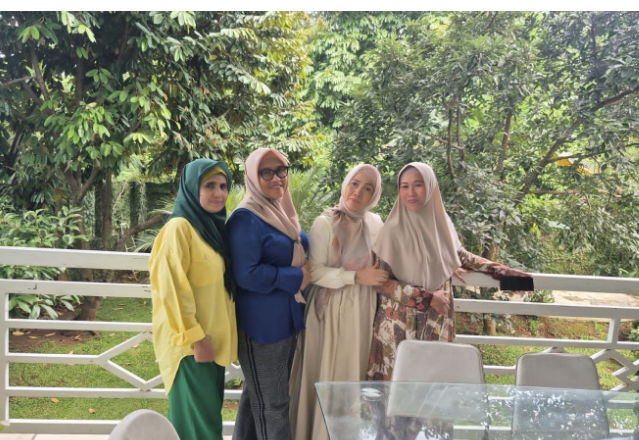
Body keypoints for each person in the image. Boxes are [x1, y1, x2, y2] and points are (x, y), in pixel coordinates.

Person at [367, 162, 531, 381]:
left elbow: (460, 256)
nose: (410, 192)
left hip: (436, 322)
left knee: (434, 389)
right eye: (404, 186)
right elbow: (382, 284)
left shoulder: (440, 226)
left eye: (418, 185)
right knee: (400, 391)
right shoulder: (392, 230)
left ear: (431, 188)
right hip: (400, 327)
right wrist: (427, 298)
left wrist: (507, 275)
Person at [290, 164, 388, 440]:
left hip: (363, 310)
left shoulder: (375, 224)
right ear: (345, 184)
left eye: (368, 188)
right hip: (330, 308)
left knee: (352, 377)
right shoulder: (326, 223)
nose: (358, 192)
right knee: (328, 376)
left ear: (374, 195)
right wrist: (356, 276)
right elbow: (315, 272)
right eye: (354, 183)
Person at [149, 158, 237, 440]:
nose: (218, 193)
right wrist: (196, 339)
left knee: (204, 423)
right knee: (199, 429)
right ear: (191, 188)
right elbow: (171, 290)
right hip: (191, 347)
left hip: (210, 345)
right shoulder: (179, 228)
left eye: (223, 186)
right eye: (209, 185)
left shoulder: (210, 230)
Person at [227, 148, 312, 440]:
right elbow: (247, 274)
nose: (277, 178)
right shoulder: (245, 218)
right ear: (253, 177)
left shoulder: (280, 210)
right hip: (262, 326)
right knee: (273, 407)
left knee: (257, 399)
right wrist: (297, 276)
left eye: (281, 170)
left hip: (285, 319)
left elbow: (299, 246)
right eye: (267, 172)